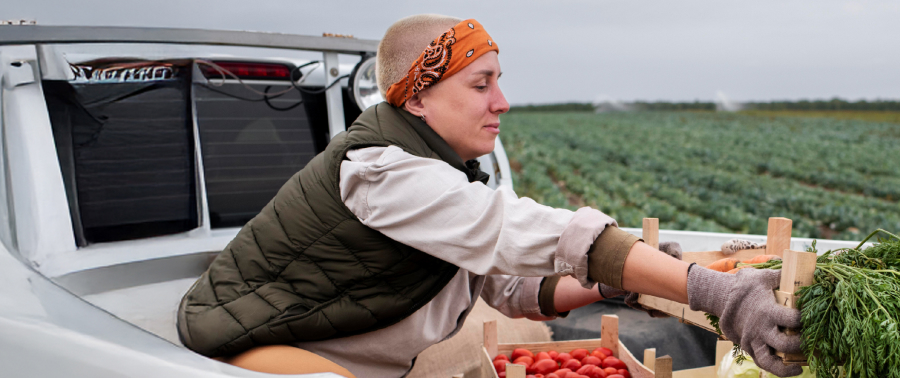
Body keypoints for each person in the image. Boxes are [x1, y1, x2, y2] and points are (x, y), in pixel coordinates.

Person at [177, 14, 803, 378]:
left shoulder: (442, 174)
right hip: (250, 347)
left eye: (499, 83)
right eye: (481, 84)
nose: (502, 103)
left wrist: (613, 285)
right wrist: (715, 292)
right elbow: (520, 230)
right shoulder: (381, 172)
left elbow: (502, 284)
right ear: (416, 99)